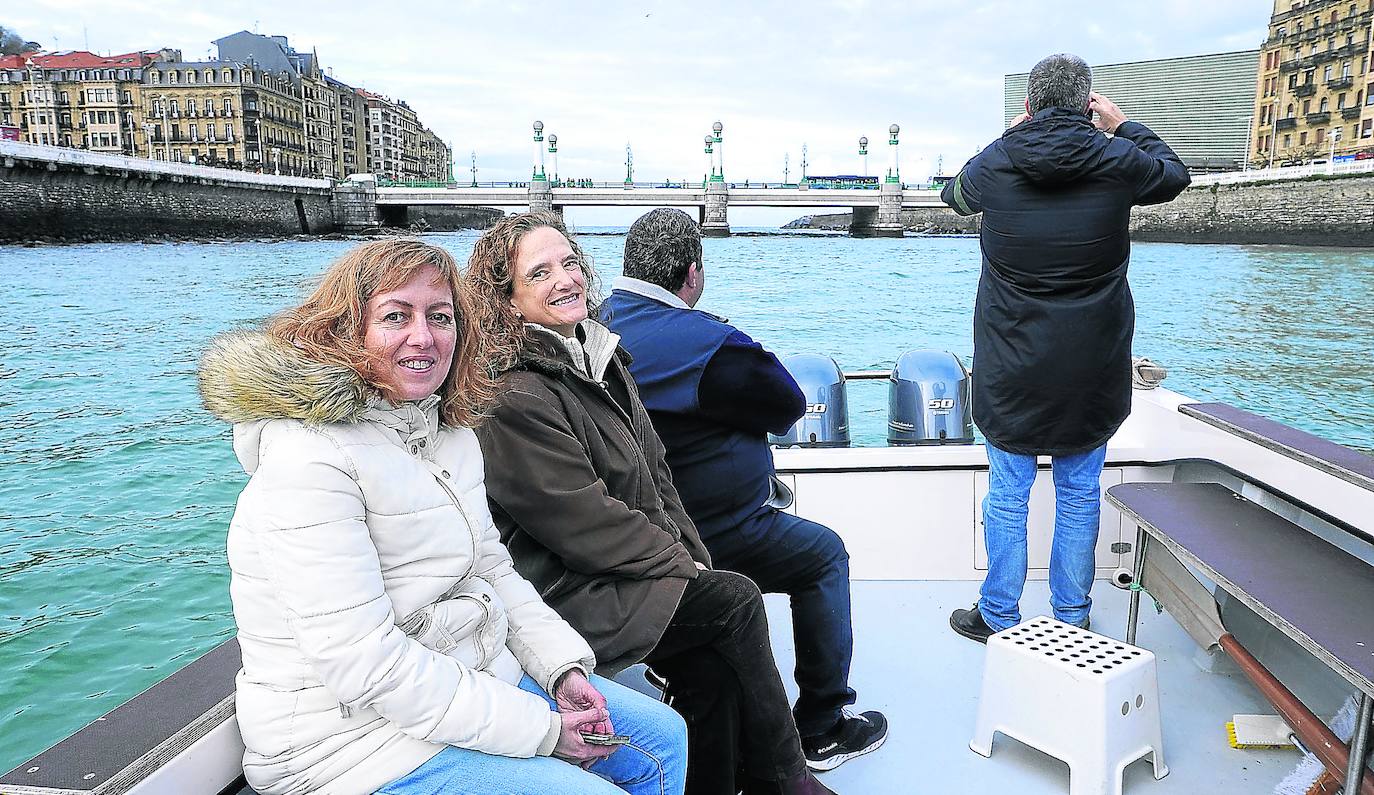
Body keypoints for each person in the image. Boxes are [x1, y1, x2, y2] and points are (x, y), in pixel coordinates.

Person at [197, 239, 687, 795]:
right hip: (347, 744)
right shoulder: (309, 459)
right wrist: (543, 731)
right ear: (346, 329)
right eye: (395, 316)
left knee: (661, 740)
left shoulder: (446, 433)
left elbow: (492, 568)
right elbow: (364, 664)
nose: (423, 337)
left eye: (440, 317)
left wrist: (562, 669)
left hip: (460, 678)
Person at [465, 211, 838, 795]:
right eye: (539, 273)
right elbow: (580, 521)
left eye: (568, 262)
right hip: (566, 589)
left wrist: (692, 557)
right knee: (736, 601)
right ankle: (785, 776)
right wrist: (683, 567)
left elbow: (657, 475)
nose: (565, 279)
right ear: (508, 301)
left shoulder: (600, 354)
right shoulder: (514, 390)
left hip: (620, 570)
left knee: (709, 665)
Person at [601, 208, 888, 772]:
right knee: (823, 555)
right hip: (713, 531)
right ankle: (823, 724)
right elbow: (788, 404)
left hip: (632, 534)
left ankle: (672, 656)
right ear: (692, 273)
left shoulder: (593, 325)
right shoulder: (707, 343)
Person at [940, 53, 1190, 642]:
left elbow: (955, 195)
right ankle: (1071, 617)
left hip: (1011, 367)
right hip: (1092, 369)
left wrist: (1010, 137)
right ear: (1087, 104)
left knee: (1008, 497)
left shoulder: (998, 160)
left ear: (1027, 106)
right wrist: (1123, 123)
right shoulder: (1116, 158)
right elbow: (1173, 174)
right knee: (1080, 495)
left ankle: (999, 615)